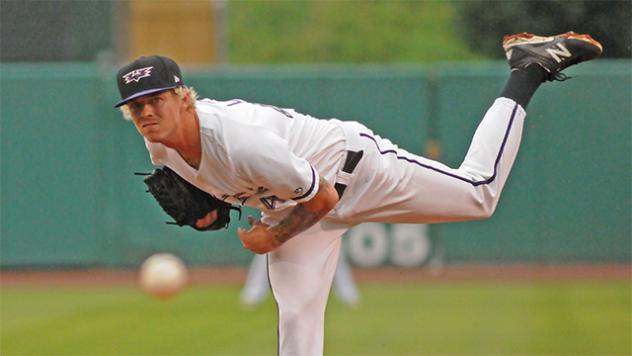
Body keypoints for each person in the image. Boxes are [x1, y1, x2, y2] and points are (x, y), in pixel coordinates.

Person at [114, 32, 602, 356]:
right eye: (136, 108)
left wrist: (275, 237)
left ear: (183, 96)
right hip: (291, 200)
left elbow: (323, 200)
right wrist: (210, 212)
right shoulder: (158, 144)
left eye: (156, 100)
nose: (147, 114)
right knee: (298, 324)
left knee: (479, 194)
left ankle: (529, 67)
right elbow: (219, 188)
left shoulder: (241, 140)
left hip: (355, 173)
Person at [240, 247, 360, 307]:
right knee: (269, 247)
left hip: (316, 208)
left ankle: (345, 289)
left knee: (332, 245)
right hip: (284, 207)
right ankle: (255, 289)